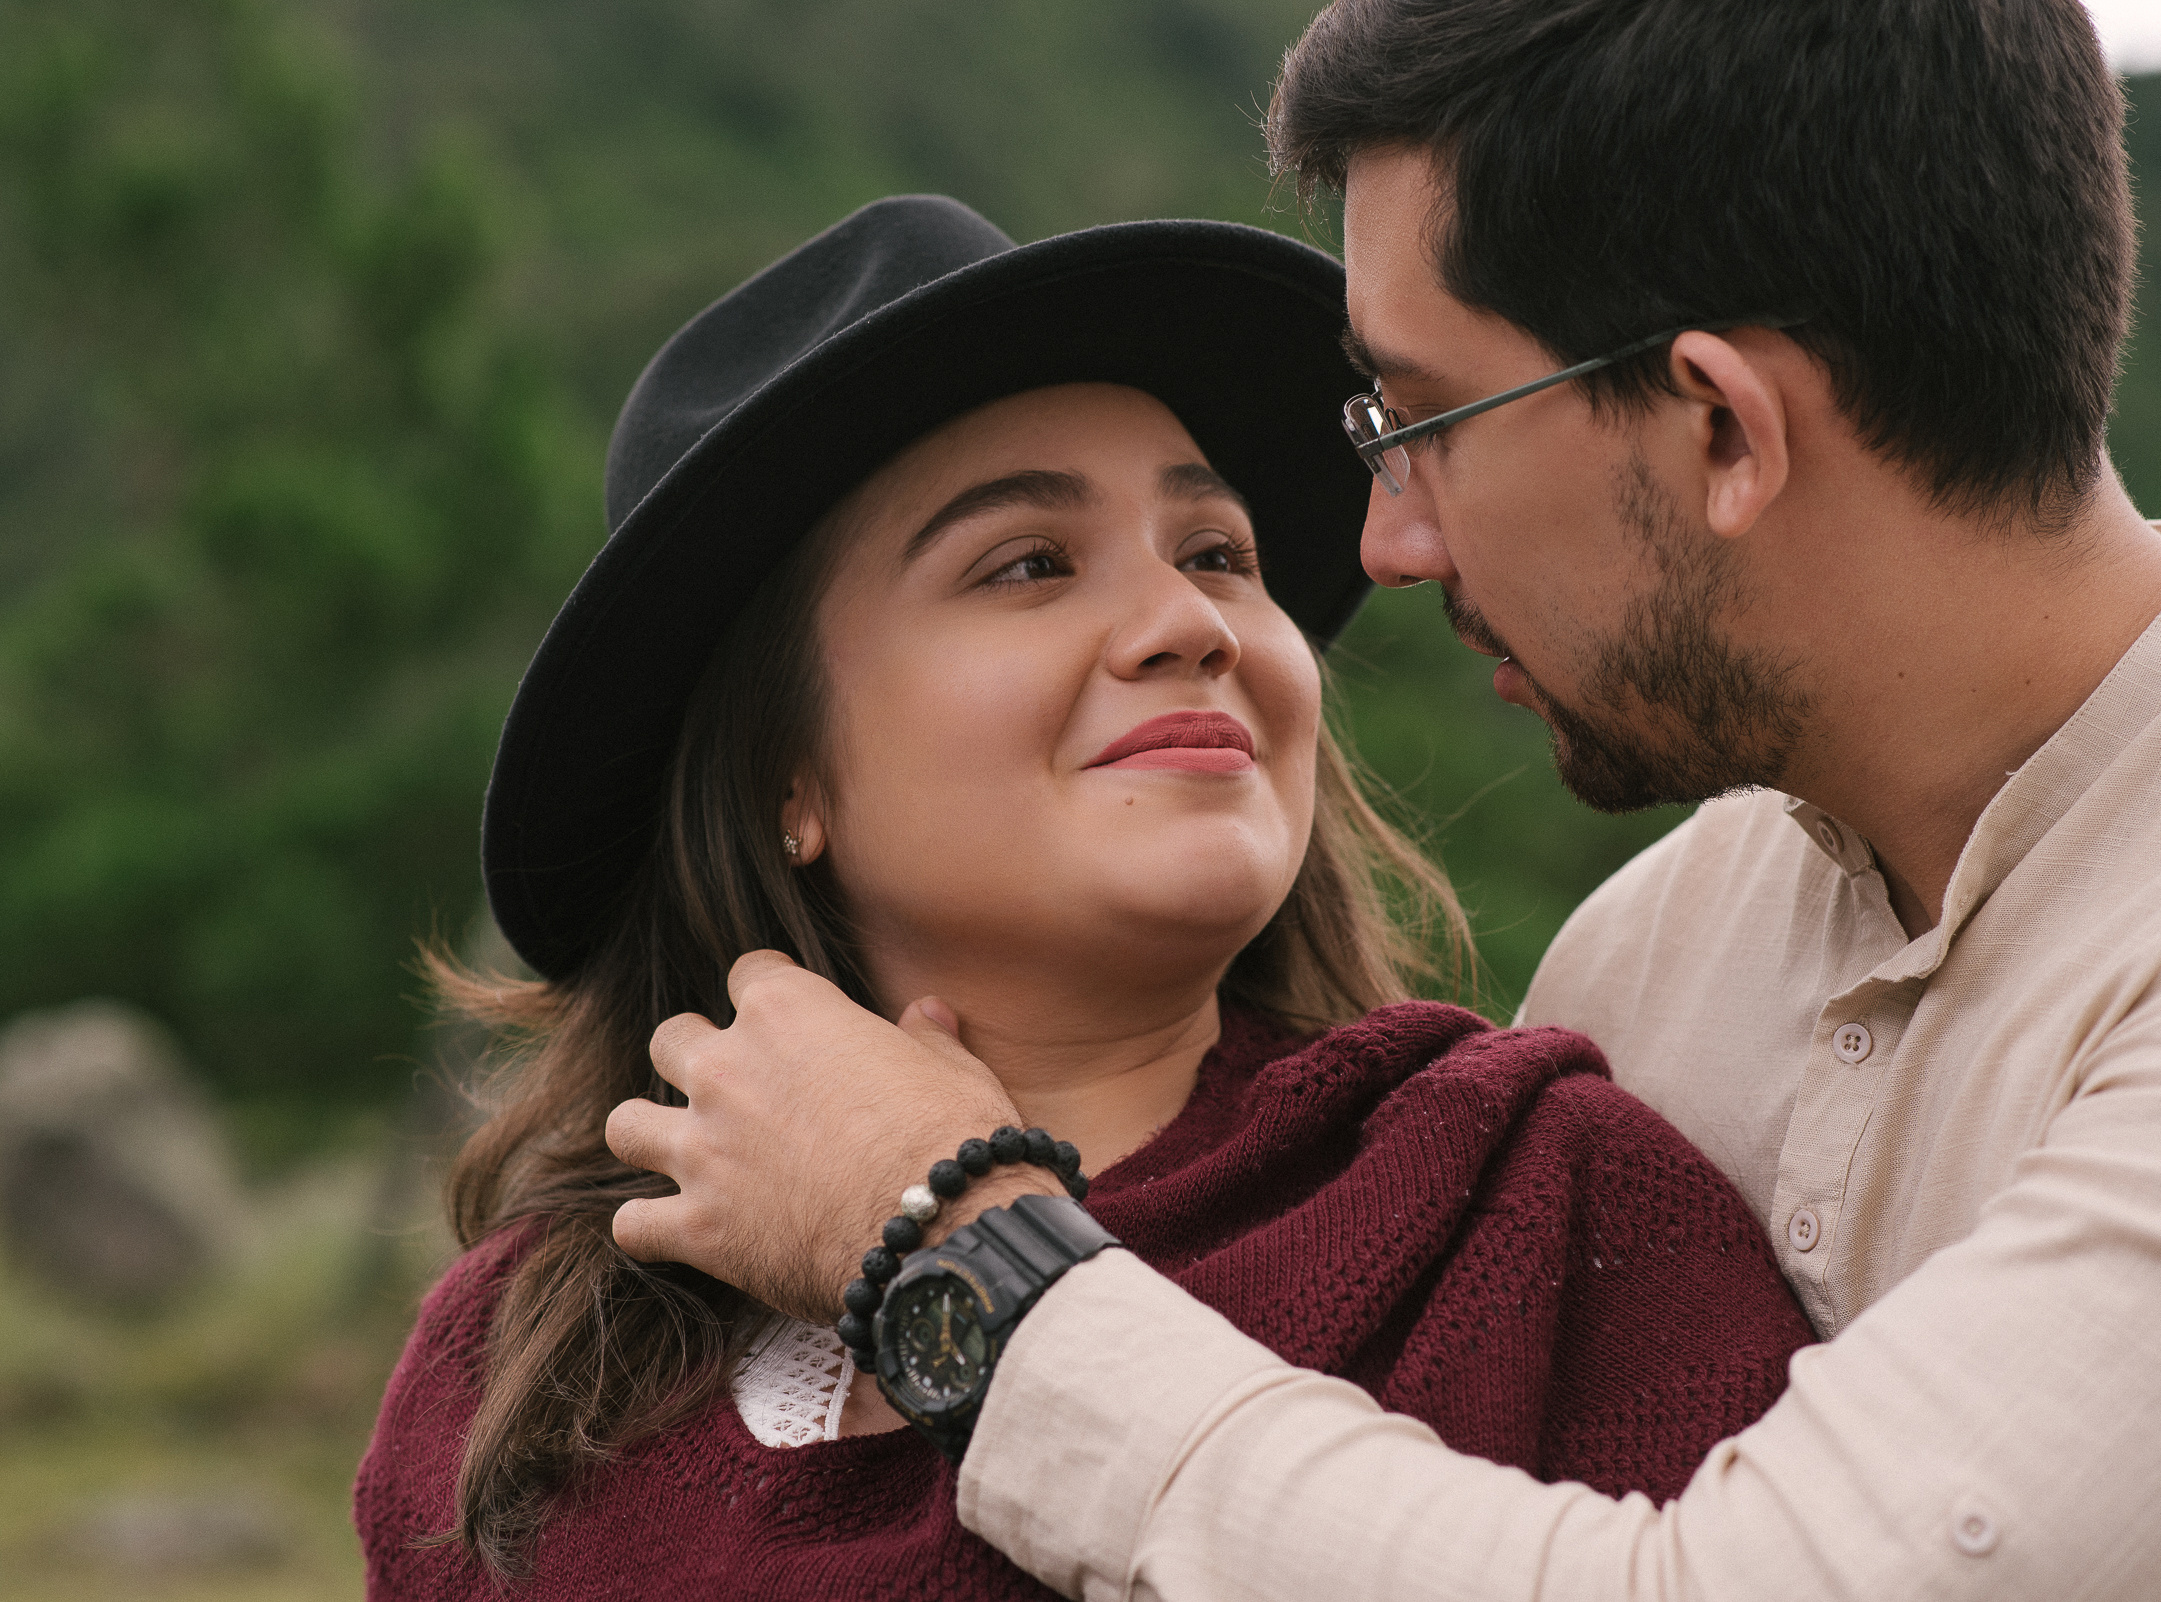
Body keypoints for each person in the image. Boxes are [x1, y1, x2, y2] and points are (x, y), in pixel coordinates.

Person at [603, 3, 2161, 1600]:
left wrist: (960, 1270)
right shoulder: (1658, 957)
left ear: (1723, 431)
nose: (1384, 545)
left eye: (1419, 420)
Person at [351, 194, 1816, 1598]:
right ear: (781, 773)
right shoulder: (516, 1370)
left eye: (1219, 554)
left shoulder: (1540, 1205)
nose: (1190, 622)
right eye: (1030, 563)